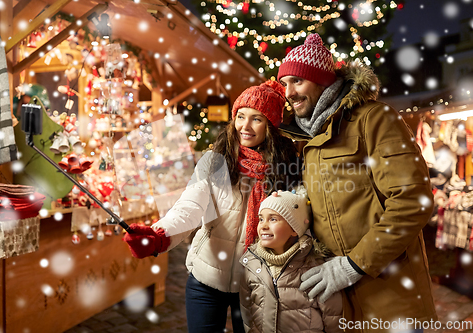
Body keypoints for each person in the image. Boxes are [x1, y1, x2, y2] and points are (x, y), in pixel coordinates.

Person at [277, 33, 437, 332]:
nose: (289, 92)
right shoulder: (307, 139)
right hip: (341, 305)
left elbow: (413, 201)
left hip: (391, 295)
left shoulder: (374, 119)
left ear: (322, 81)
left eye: (297, 81)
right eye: (285, 84)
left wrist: (353, 265)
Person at [123, 80, 302, 333]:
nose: (245, 126)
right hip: (206, 279)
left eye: (256, 119)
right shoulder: (216, 160)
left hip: (257, 285)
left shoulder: (285, 168)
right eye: (240, 116)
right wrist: (158, 235)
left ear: (271, 125)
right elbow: (190, 207)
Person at [240, 186, 343, 333]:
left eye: (273, 219)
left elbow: (334, 318)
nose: (263, 225)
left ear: (294, 228)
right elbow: (247, 312)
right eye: (261, 219)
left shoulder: (315, 266)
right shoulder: (251, 264)